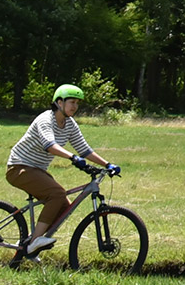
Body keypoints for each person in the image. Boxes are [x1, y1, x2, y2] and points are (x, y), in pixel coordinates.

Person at [6, 84, 121, 259]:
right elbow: (49, 145)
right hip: (19, 167)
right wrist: (73, 158)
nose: (74, 106)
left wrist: (108, 164)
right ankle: (35, 241)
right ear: (59, 102)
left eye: (77, 103)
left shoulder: (69, 124)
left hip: (37, 170)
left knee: (65, 206)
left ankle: (31, 245)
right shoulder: (46, 119)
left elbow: (84, 149)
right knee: (57, 194)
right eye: (71, 102)